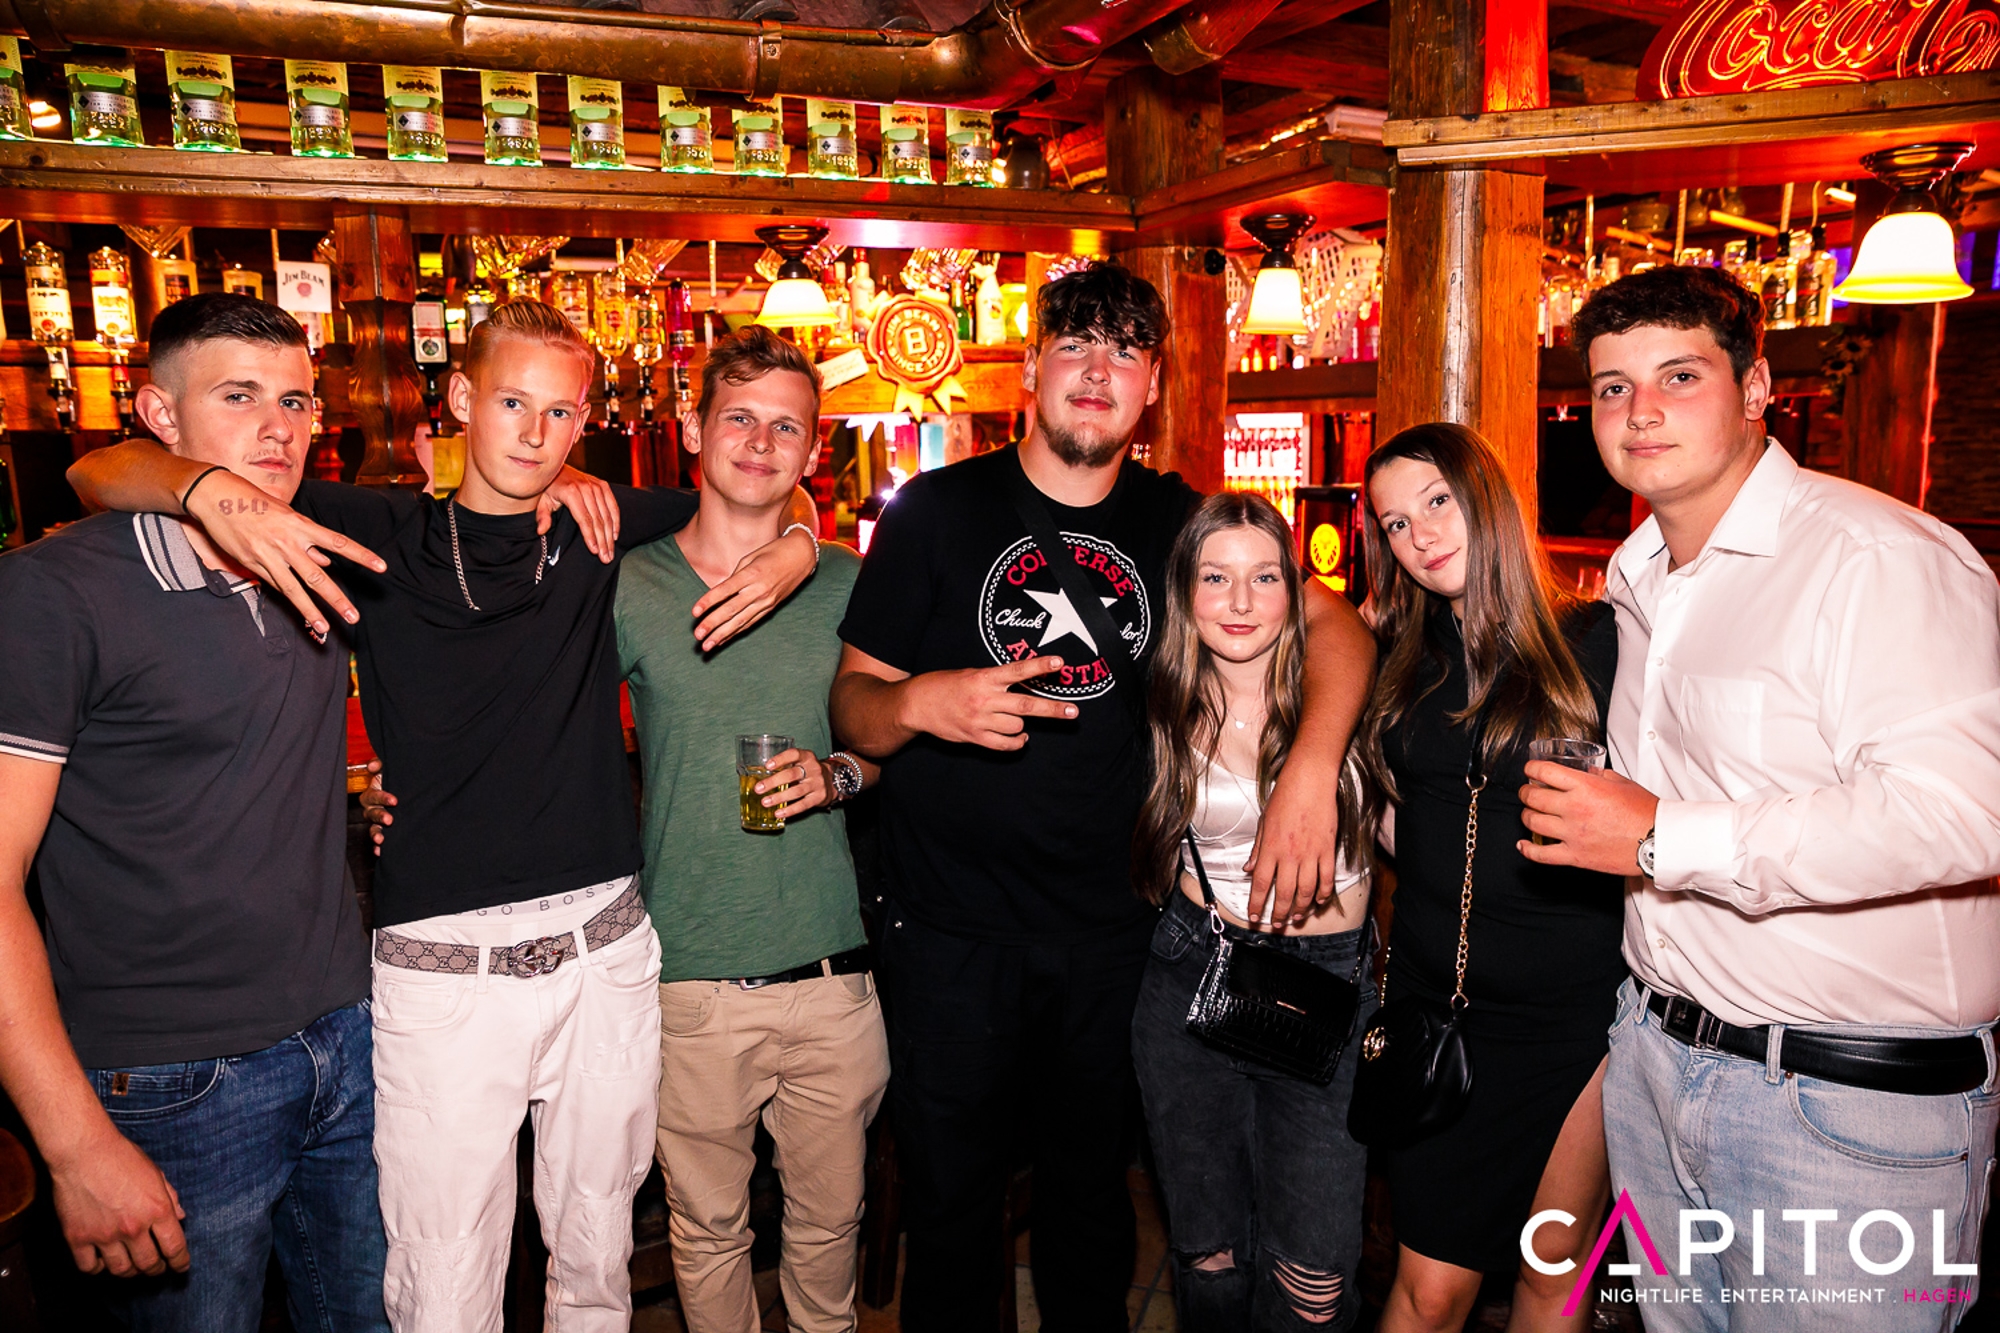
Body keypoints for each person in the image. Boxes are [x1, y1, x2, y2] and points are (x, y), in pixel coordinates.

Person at [66, 299, 821, 1333]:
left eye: (561, 413)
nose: (535, 434)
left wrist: (796, 544)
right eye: (512, 403)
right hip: (443, 970)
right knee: (442, 1278)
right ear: (462, 397)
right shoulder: (377, 529)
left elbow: (761, 479)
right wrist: (205, 488)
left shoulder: (597, 524)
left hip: (603, 953)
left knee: (597, 1257)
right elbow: (97, 472)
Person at [830, 262, 1376, 1332]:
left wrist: (1311, 770)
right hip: (947, 932)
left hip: (1119, 935)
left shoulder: (1182, 522)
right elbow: (853, 708)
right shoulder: (936, 511)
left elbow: (1340, 627)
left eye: (1125, 350)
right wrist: (923, 702)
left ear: (1152, 386)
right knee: (952, 1210)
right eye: (1074, 344)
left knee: (1090, 1207)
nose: (1096, 369)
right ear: (1032, 368)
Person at [1524, 264, 2000, 1329]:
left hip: (1841, 1106)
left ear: (1754, 389)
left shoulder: (1875, 557)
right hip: (1655, 1062)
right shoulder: (1641, 575)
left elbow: (1966, 811)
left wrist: (1662, 836)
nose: (1639, 411)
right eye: (1611, 387)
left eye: (1678, 376)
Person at [0, 293, 389, 1331]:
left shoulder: (315, 551)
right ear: (159, 416)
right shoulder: (54, 593)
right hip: (171, 1080)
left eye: (295, 401)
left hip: (348, 1038)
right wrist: (74, 1142)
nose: (278, 426)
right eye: (238, 397)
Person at [614, 327, 888, 1333]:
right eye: (739, 417)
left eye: (786, 427)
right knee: (708, 1230)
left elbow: (887, 738)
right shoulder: (630, 583)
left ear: (812, 449)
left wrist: (839, 772)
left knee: (830, 1227)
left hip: (831, 973)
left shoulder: (848, 580)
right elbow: (543, 729)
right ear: (693, 430)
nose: (762, 443)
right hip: (690, 976)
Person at [1356, 423, 1624, 1333]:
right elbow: (1399, 809)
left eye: (1438, 501)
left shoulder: (1598, 640)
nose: (1420, 535)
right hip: (1437, 1013)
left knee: (1554, 1275)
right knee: (1429, 1291)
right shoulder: (1399, 651)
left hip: (1570, 1019)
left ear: (1488, 498)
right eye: (1395, 523)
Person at [1128, 491, 1375, 1333]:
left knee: (1315, 1282)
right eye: (1215, 577)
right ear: (1185, 590)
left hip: (1327, 986)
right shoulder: (1162, 698)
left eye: (1264, 577)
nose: (1240, 601)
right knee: (1209, 1256)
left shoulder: (1344, 692)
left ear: (1295, 589)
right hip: (1192, 971)